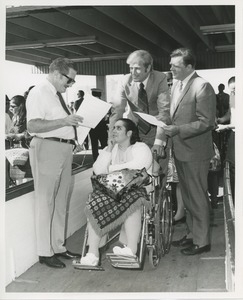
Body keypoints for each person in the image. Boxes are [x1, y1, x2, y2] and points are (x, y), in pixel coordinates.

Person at [26, 57, 84, 269]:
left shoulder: (55, 94)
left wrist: (73, 139)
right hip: (47, 148)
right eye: (69, 80)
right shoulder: (40, 91)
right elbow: (32, 125)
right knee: (46, 201)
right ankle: (44, 251)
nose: (70, 85)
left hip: (63, 148)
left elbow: (60, 124)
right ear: (58, 74)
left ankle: (58, 246)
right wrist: (64, 121)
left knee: (60, 202)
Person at [77, 118, 153, 266]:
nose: (113, 131)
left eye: (118, 128)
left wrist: (110, 169)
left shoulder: (140, 147)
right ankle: (93, 253)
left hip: (137, 189)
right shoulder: (111, 149)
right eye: (113, 128)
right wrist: (109, 150)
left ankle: (131, 249)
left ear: (129, 133)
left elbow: (139, 165)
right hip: (113, 190)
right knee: (95, 201)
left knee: (132, 200)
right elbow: (98, 170)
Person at [163, 48, 216, 255]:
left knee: (197, 196)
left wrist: (178, 130)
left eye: (175, 66)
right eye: (171, 65)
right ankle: (193, 234)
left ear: (189, 66)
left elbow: (207, 122)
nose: (171, 69)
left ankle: (202, 242)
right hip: (181, 150)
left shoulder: (202, 86)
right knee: (188, 196)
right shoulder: (177, 85)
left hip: (195, 152)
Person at [108, 50, 171, 180]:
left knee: (156, 176)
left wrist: (159, 141)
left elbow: (164, 112)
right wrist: (112, 137)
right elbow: (117, 111)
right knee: (133, 176)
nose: (133, 72)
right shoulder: (125, 81)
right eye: (131, 68)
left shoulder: (160, 78)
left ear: (148, 68)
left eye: (137, 69)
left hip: (156, 131)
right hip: (134, 133)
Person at [216, 76, 235, 202]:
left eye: (235, 89)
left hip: (234, 130)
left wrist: (225, 126)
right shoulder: (232, 98)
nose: (233, 92)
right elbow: (230, 113)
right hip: (233, 135)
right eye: (231, 90)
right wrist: (220, 120)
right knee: (231, 165)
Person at [89, 88, 109, 161]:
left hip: (92, 127)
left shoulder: (89, 104)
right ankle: (105, 160)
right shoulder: (104, 103)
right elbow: (106, 118)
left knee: (94, 145)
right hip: (102, 126)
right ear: (100, 94)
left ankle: (96, 161)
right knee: (104, 144)